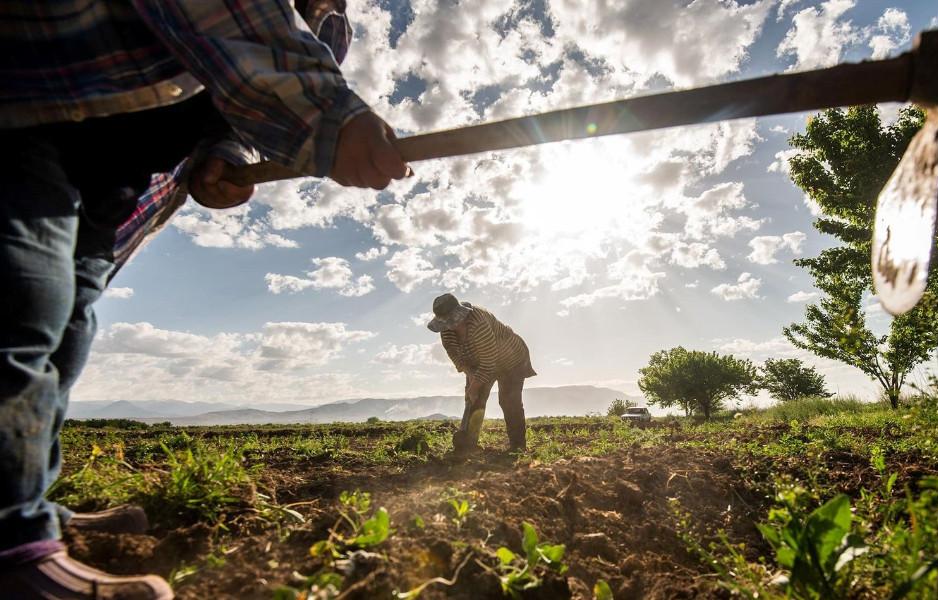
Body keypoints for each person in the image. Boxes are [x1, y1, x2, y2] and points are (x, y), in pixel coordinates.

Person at [0, 1, 409, 597]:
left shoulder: (330, 25)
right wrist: (332, 116)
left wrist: (226, 155)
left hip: (119, 168)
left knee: (68, 319)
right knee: (21, 300)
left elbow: (226, 100)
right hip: (27, 97)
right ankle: (10, 544)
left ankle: (27, 504)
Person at [427, 294, 536, 454]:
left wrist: (474, 386)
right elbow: (454, 355)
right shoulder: (446, 330)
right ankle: (468, 446)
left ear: (460, 314)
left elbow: (489, 362)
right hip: (478, 362)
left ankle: (518, 447)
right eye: (447, 322)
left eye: (454, 321)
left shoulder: (478, 323)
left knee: (508, 401)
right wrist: (470, 375)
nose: (451, 326)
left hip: (511, 359)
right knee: (475, 400)